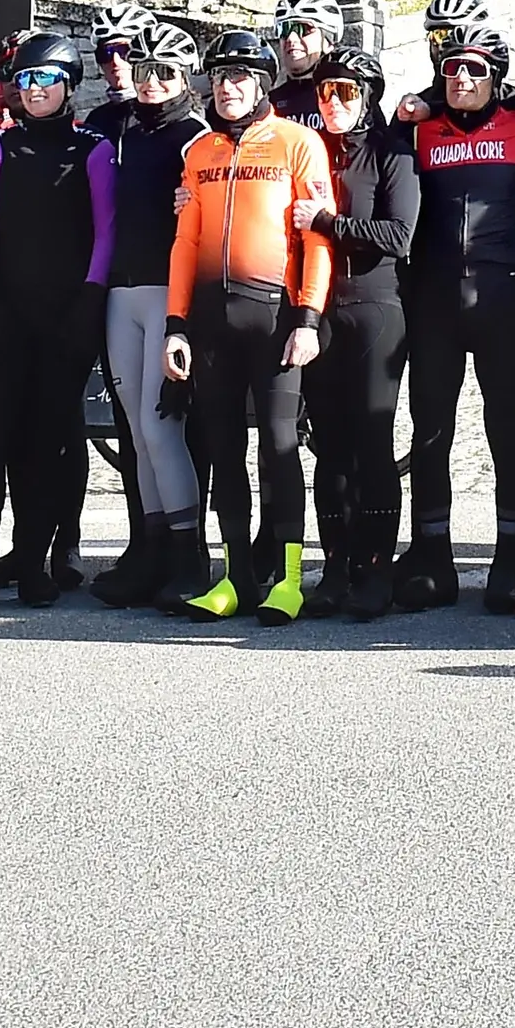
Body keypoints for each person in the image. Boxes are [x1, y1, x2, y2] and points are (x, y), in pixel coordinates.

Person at [161, 34, 336, 621]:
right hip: (212, 321)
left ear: (261, 83)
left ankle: (286, 579)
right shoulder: (200, 152)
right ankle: (234, 577)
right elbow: (186, 242)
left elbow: (316, 239)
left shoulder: (297, 142)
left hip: (276, 317)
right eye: (218, 77)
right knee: (224, 449)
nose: (226, 87)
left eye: (239, 76)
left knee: (280, 448)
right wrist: (176, 325)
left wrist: (309, 317)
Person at [0, 29, 113, 607]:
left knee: (48, 446)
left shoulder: (92, 149)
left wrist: (90, 298)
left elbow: (105, 229)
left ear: (68, 87)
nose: (34, 88)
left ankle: (35, 559)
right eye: (25, 79)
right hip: (3, 315)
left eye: (45, 78)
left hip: (64, 318)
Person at [399, 17, 515, 612]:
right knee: (432, 428)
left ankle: (512, 549)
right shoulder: (419, 128)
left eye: (475, 69)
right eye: (450, 67)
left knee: (504, 423)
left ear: (497, 77)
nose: (460, 78)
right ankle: (433, 550)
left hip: (499, 295)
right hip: (431, 299)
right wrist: (422, 101)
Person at [301, 46, 416, 617]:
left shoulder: (391, 151)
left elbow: (398, 234)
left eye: (346, 92)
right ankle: (335, 567)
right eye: (325, 93)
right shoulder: (309, 151)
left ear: (368, 96)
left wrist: (328, 222)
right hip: (319, 308)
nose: (334, 103)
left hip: (377, 305)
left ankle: (376, 570)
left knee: (372, 445)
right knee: (329, 447)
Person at [87, 27, 198, 607]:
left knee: (161, 428)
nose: (151, 82)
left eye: (166, 73)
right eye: (144, 68)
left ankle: (188, 556)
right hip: (120, 291)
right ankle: (152, 551)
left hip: (165, 291)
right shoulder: (122, 126)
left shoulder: (193, 135)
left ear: (186, 79)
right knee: (134, 430)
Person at [266, 0, 346, 126]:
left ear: (328, 42)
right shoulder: (269, 103)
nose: (291, 38)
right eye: (284, 29)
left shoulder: (346, 97)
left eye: (304, 28)